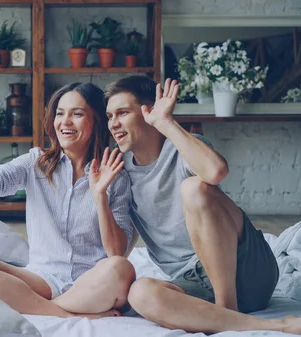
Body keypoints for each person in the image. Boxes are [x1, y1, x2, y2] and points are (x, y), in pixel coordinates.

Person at [104, 75, 301, 334]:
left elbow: (216, 172)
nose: (113, 124)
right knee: (140, 293)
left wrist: (166, 122)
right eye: (109, 116)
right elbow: (117, 252)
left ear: (148, 112)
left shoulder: (183, 147)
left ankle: (225, 308)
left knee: (194, 188)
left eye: (122, 113)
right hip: (195, 283)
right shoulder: (121, 173)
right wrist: (100, 195)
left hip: (246, 265)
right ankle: (268, 325)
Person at [0, 82, 136, 319]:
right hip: (42, 279)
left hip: (92, 281)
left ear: (97, 121)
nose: (65, 122)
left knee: (120, 268)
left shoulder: (116, 176)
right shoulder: (36, 162)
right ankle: (68, 314)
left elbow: (116, 251)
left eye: (77, 114)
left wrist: (100, 196)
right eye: (59, 113)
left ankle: (37, 305)